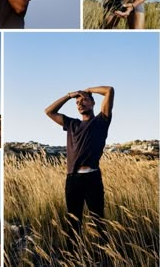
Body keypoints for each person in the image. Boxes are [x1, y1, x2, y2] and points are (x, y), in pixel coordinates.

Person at [45, 86, 114, 241]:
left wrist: (88, 89)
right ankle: (73, 259)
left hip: (93, 178)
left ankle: (103, 257)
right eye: (77, 102)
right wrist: (69, 95)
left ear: (93, 103)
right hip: (73, 179)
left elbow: (109, 90)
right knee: (73, 223)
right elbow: (49, 111)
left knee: (99, 222)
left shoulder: (101, 121)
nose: (80, 103)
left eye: (84, 100)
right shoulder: (71, 124)